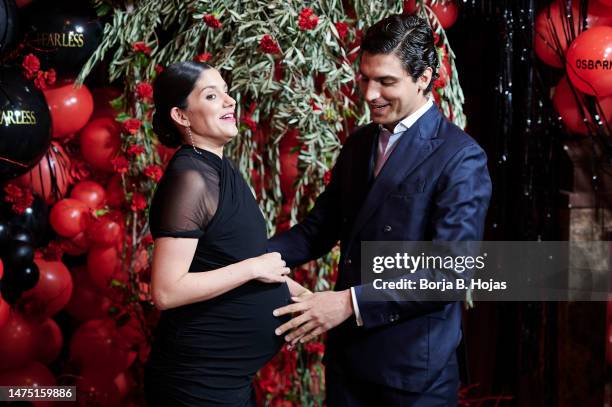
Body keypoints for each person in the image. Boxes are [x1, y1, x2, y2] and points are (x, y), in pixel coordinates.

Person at [269, 14, 492, 406]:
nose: (370, 94)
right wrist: (244, 261)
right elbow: (316, 231)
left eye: (386, 82)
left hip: (412, 376)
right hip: (348, 365)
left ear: (424, 78)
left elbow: (450, 273)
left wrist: (347, 303)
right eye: (365, 78)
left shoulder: (461, 157)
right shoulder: (359, 145)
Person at [143, 61, 310, 407]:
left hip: (227, 380)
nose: (230, 101)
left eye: (227, 92)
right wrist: (254, 269)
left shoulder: (221, 170)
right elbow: (166, 290)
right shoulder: (191, 178)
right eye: (211, 95)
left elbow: (234, 259)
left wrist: (306, 302)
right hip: (197, 382)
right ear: (182, 116)